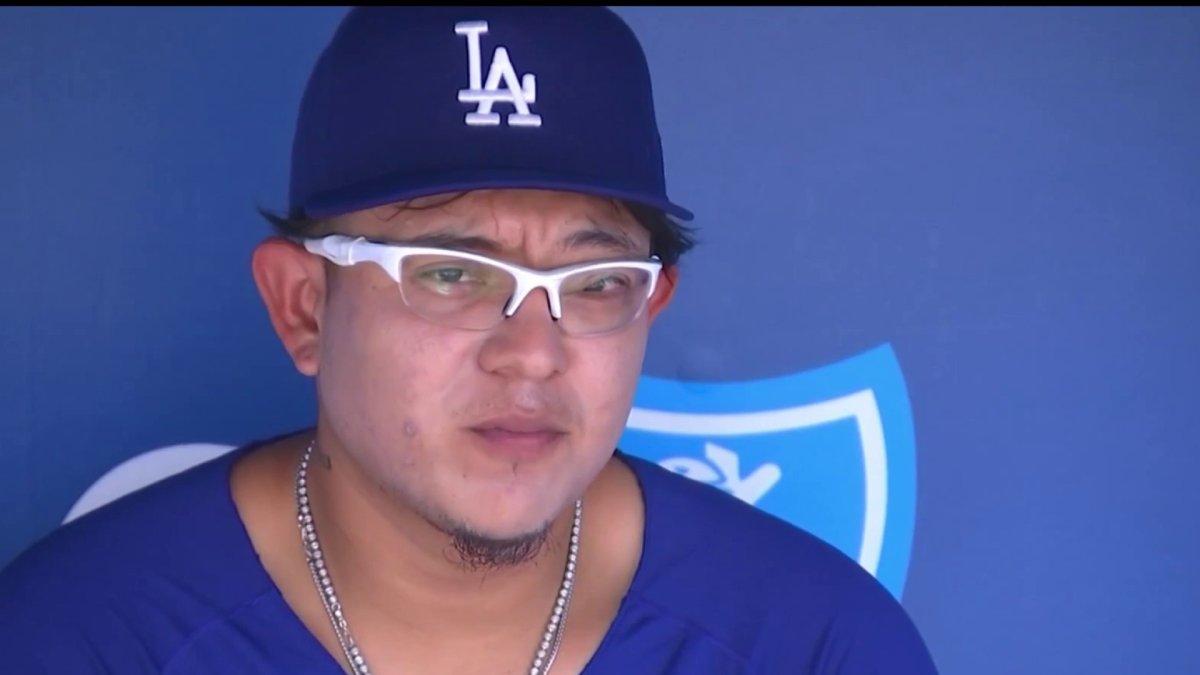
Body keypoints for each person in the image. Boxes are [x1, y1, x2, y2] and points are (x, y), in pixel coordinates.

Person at [0, 6, 939, 674]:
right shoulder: (79, 640)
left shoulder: (815, 646)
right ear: (303, 308)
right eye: (452, 273)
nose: (533, 352)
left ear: (649, 309)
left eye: (595, 282)